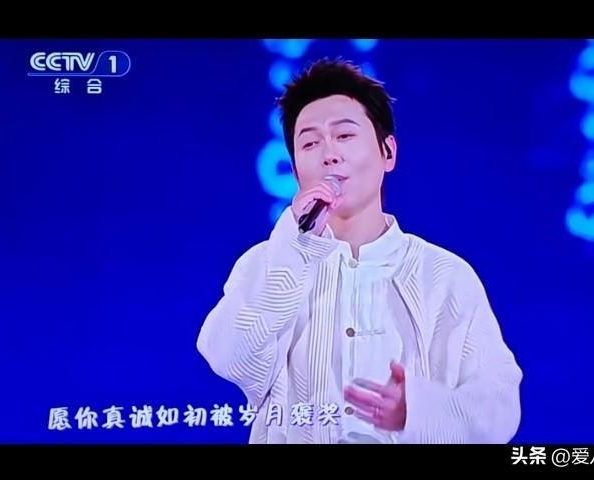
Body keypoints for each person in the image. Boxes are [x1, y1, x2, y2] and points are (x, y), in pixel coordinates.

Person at [196, 57, 523, 444]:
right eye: (310, 143)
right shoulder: (267, 263)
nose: (329, 154)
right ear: (296, 170)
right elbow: (229, 357)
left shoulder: (444, 275)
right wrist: (294, 248)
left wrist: (419, 409)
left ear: (388, 153)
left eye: (345, 136)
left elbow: (498, 408)